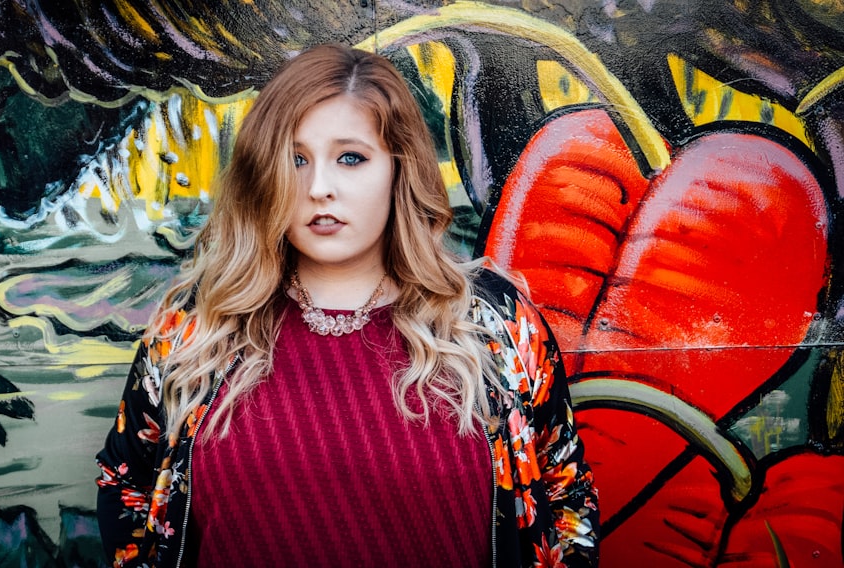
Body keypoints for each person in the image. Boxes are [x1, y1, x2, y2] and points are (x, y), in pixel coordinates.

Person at [95, 44, 598, 567]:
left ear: (398, 168)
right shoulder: (198, 324)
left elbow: (565, 499)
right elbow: (124, 484)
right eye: (295, 159)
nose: (318, 188)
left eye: (350, 158)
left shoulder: (492, 324)